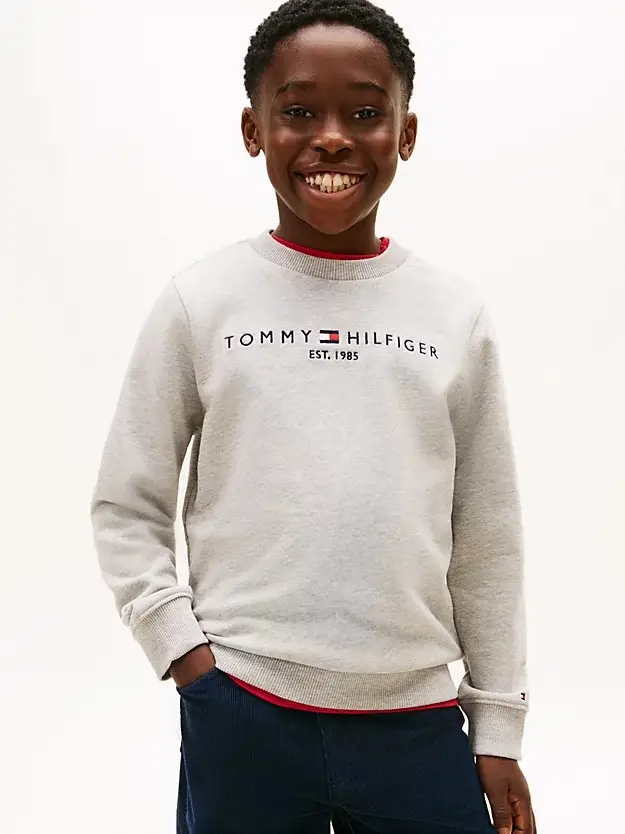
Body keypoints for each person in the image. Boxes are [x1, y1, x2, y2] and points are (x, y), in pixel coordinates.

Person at [90, 1, 536, 832]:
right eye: (298, 112)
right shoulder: (202, 301)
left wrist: (498, 724)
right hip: (242, 705)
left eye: (364, 114)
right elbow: (126, 502)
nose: (331, 138)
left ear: (405, 133)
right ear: (253, 130)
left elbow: (487, 536)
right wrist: (184, 655)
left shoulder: (453, 315)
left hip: (415, 720)